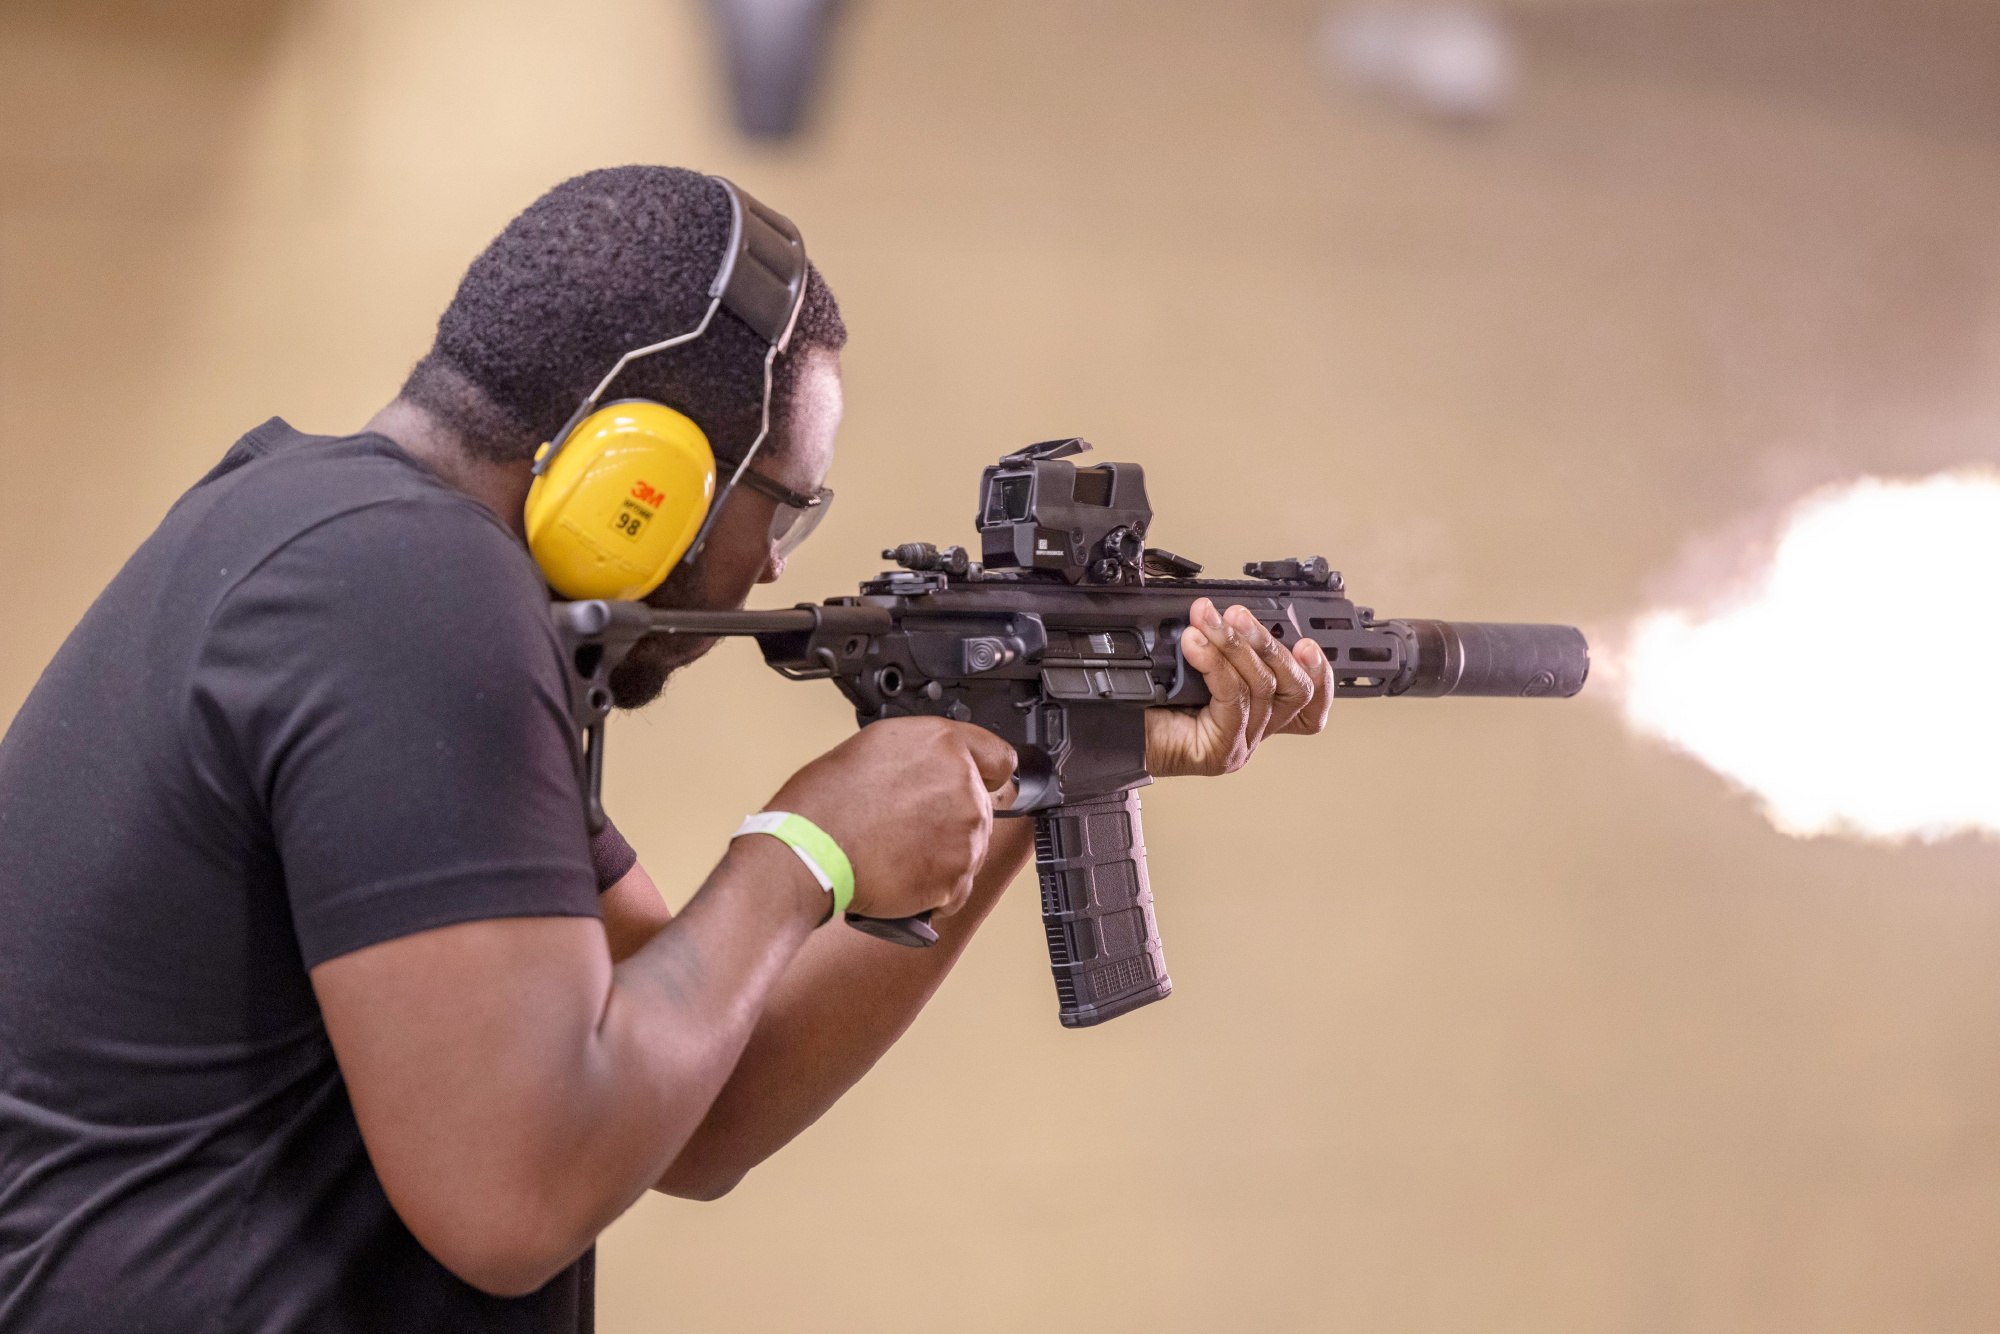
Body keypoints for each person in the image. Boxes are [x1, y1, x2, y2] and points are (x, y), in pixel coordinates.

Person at [0, 165, 1335, 1332]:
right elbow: (517, 1195)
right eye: (784, 509)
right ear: (642, 470)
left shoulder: (333, 548)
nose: (770, 568)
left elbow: (701, 1110)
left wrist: (1037, 759)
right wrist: (802, 850)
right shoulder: (412, 590)